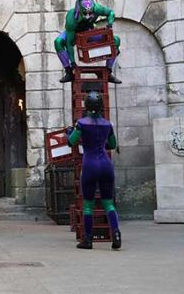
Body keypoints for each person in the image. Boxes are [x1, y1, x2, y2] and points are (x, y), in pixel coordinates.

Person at [67, 91, 122, 250]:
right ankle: (116, 234)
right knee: (108, 203)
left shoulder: (82, 123)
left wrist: (69, 133)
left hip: (90, 164)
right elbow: (112, 145)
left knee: (88, 204)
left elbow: (71, 142)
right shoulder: (107, 124)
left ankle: (88, 240)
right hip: (106, 164)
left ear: (86, 105)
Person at [54, 0, 122, 84]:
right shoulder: (72, 18)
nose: (88, 15)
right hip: (74, 33)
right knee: (58, 42)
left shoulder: (97, 8)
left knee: (115, 40)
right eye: (85, 13)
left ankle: (108, 72)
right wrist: (73, 63)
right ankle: (69, 71)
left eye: (90, 13)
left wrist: (110, 24)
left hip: (88, 31)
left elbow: (110, 13)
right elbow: (69, 43)